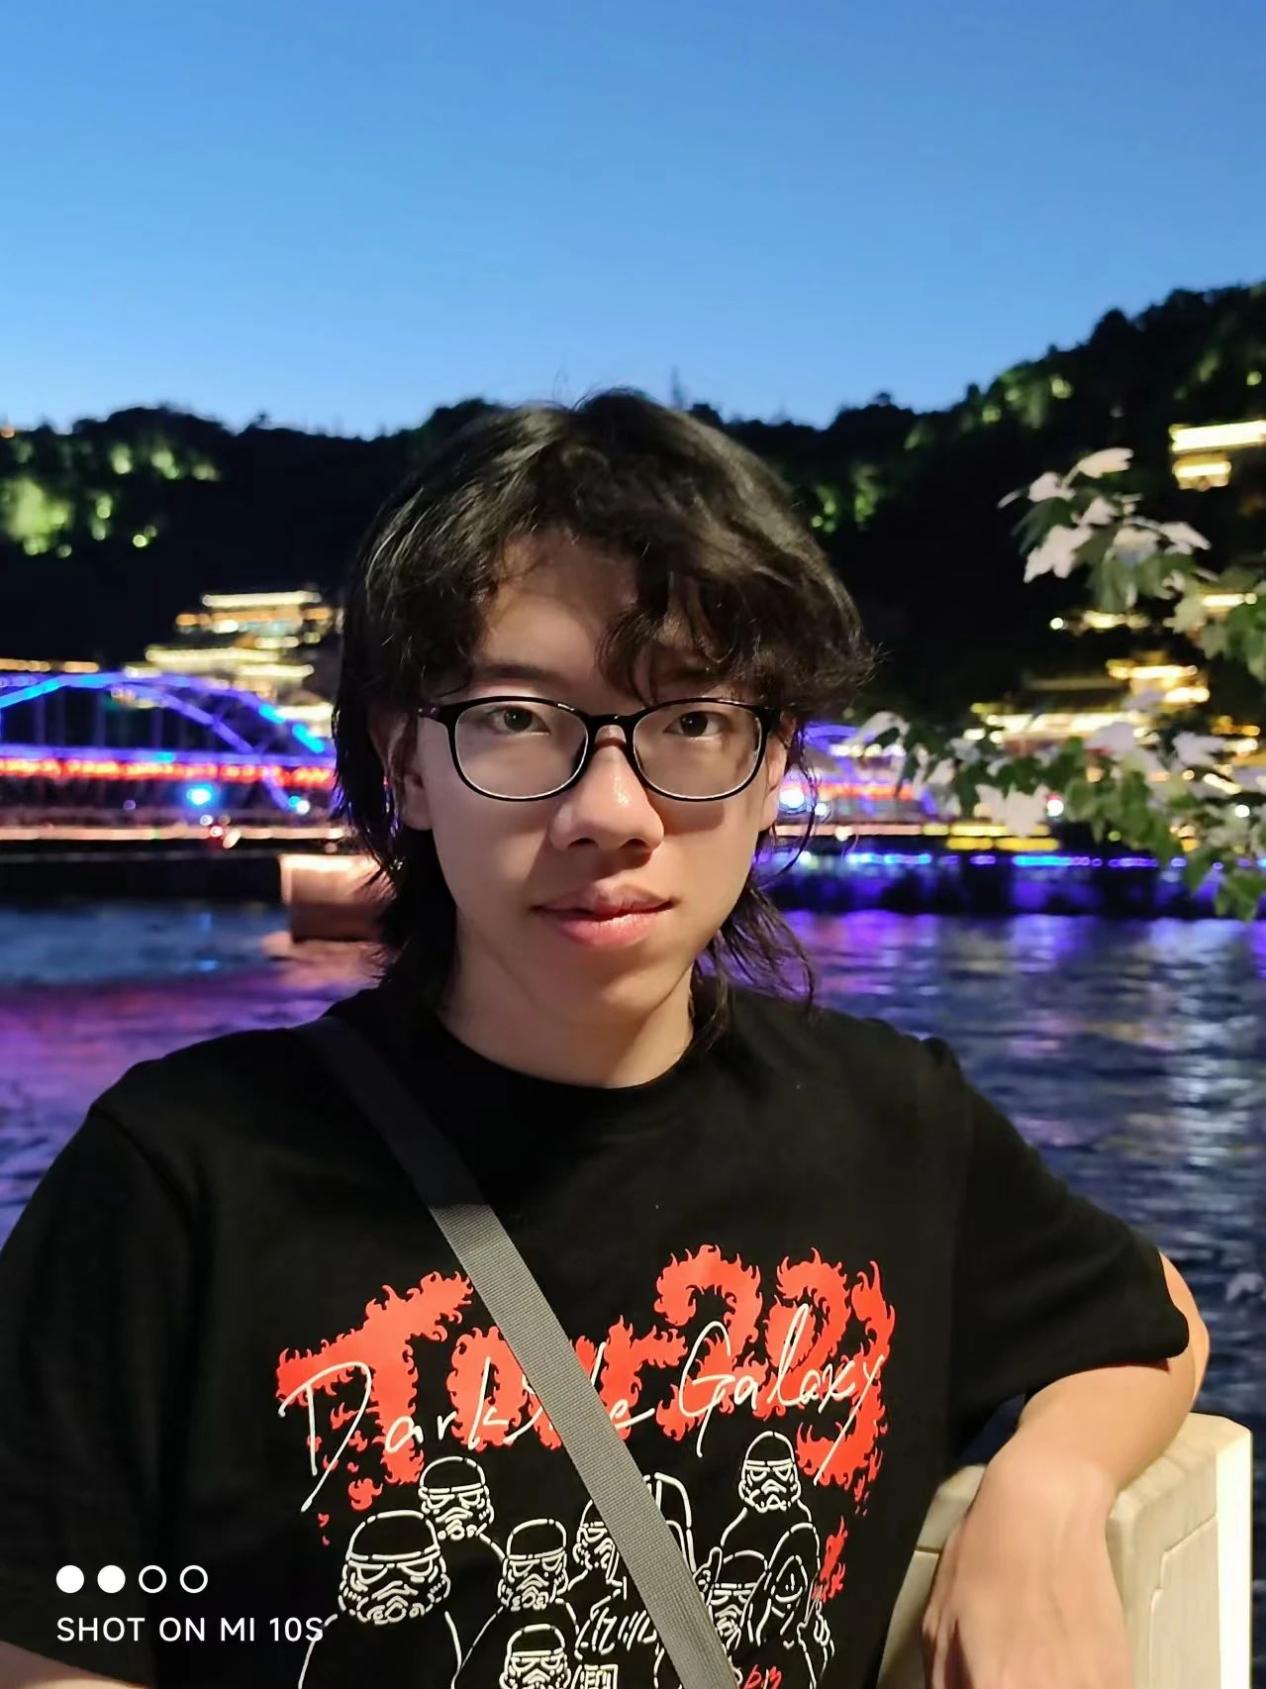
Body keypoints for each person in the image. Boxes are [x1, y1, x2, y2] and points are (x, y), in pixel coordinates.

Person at [0, 390, 1207, 1689]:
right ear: (404, 762)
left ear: (772, 764)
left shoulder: (886, 1117)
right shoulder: (180, 1178)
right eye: (519, 719)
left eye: (692, 721)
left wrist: (1048, 1487)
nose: (612, 811)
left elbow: (1147, 1320)